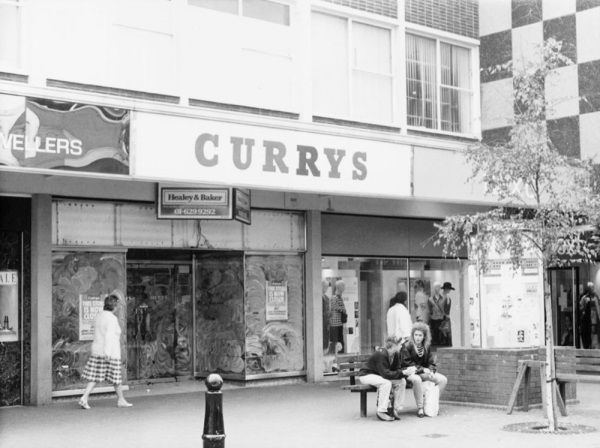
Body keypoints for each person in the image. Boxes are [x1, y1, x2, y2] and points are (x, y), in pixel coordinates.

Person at [79, 293, 133, 409]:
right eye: (117, 305)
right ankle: (121, 400)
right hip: (110, 353)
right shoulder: (112, 319)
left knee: (95, 377)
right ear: (114, 306)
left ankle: (85, 397)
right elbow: (109, 336)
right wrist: (108, 353)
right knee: (116, 378)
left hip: (98, 350)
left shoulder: (99, 316)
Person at [358, 336, 416, 422]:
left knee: (402, 382)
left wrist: (406, 371)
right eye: (400, 345)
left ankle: (394, 409)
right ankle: (381, 411)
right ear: (393, 346)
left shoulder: (395, 354)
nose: (401, 346)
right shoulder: (381, 354)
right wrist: (402, 373)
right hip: (366, 375)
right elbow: (386, 374)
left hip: (379, 375)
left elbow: (397, 369)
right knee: (386, 383)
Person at [400, 322, 448, 418]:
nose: (417, 337)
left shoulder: (426, 346)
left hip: (424, 372)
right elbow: (406, 363)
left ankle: (431, 402)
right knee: (417, 379)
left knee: (443, 380)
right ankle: (420, 408)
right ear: (412, 335)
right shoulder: (407, 346)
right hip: (409, 372)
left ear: (424, 337)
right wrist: (423, 369)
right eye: (416, 335)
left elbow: (432, 362)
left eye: (420, 335)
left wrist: (431, 371)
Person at [429, 281, 452, 346]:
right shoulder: (433, 299)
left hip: (442, 319)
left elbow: (446, 309)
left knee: (443, 336)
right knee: (438, 335)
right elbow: (430, 310)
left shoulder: (445, 297)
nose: (448, 290)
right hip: (438, 319)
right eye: (447, 289)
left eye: (449, 289)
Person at [328, 280, 347, 355]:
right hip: (335, 324)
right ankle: (337, 356)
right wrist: (343, 309)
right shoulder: (335, 298)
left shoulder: (338, 298)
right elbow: (334, 307)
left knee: (340, 341)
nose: (344, 288)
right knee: (337, 342)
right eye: (343, 287)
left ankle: (340, 355)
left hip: (338, 324)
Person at [579, 282, 597, 349]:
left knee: (594, 339)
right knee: (587, 338)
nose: (593, 289)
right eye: (592, 287)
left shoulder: (595, 297)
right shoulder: (584, 298)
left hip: (594, 321)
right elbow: (581, 309)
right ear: (588, 289)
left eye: (593, 287)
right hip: (586, 322)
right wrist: (585, 306)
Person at [322, 280, 330, 351]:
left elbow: (328, 309)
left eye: (327, 287)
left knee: (326, 336)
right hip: (321, 321)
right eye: (324, 287)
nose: (325, 289)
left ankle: (325, 348)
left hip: (326, 322)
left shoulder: (327, 298)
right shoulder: (318, 298)